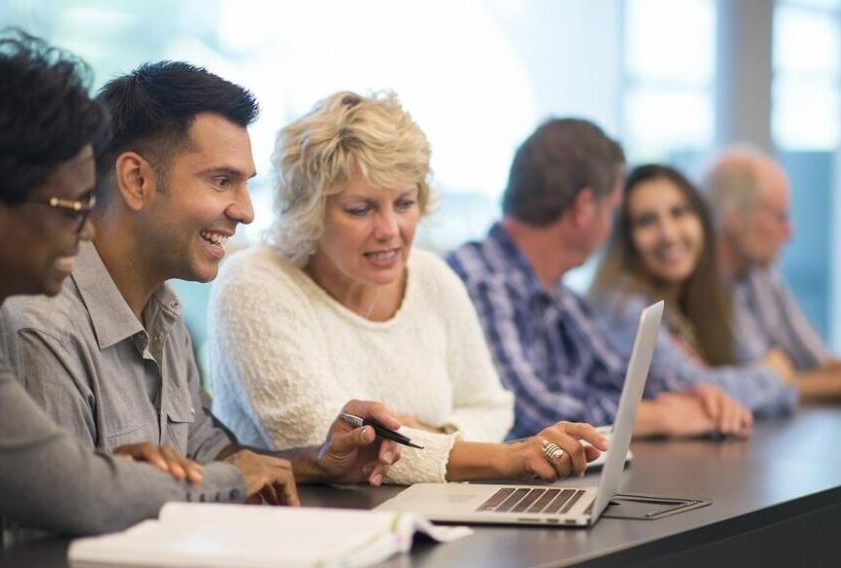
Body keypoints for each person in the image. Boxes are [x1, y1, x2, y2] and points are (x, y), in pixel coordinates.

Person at [0, 32, 255, 553]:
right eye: (73, 208)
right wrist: (230, 482)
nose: (87, 230)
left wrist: (110, 473)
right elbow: (78, 497)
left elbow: (60, 477)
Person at [0, 62, 402, 500]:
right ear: (136, 180)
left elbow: (205, 452)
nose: (245, 211)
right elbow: (68, 508)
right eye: (222, 181)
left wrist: (317, 461)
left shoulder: (163, 308)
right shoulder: (42, 325)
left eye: (245, 185)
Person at [208, 91, 609, 485]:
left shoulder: (431, 275)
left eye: (404, 203)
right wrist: (502, 457)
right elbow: (327, 442)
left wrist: (434, 435)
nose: (390, 231)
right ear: (307, 213)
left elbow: (492, 405)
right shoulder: (254, 281)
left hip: (427, 516)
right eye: (360, 209)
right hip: (299, 529)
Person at [447, 119, 753, 440]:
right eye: (611, 210)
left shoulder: (560, 295)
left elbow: (619, 375)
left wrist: (697, 397)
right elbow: (528, 411)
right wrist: (663, 416)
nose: (610, 228)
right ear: (583, 209)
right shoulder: (484, 281)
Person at [703, 146, 841, 404]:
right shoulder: (699, 288)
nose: (790, 233)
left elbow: (817, 362)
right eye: (779, 217)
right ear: (733, 217)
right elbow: (757, 384)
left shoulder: (762, 276)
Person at [588, 164, 798, 416]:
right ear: (625, 239)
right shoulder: (620, 306)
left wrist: (769, 381)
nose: (668, 234)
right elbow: (694, 390)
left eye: (679, 213)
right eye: (646, 221)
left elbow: (785, 391)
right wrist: (772, 376)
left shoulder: (693, 297)